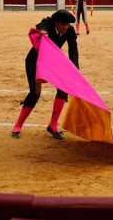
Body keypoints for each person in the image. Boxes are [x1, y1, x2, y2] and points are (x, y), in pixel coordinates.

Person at [12, 9, 79, 140]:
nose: (65, 27)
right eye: (63, 24)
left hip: (52, 61)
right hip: (35, 61)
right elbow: (41, 25)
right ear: (56, 22)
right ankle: (18, 125)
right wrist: (42, 31)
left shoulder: (69, 31)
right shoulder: (48, 24)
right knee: (35, 93)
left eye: (67, 24)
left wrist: (75, 70)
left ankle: (53, 125)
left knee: (63, 89)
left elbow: (73, 50)